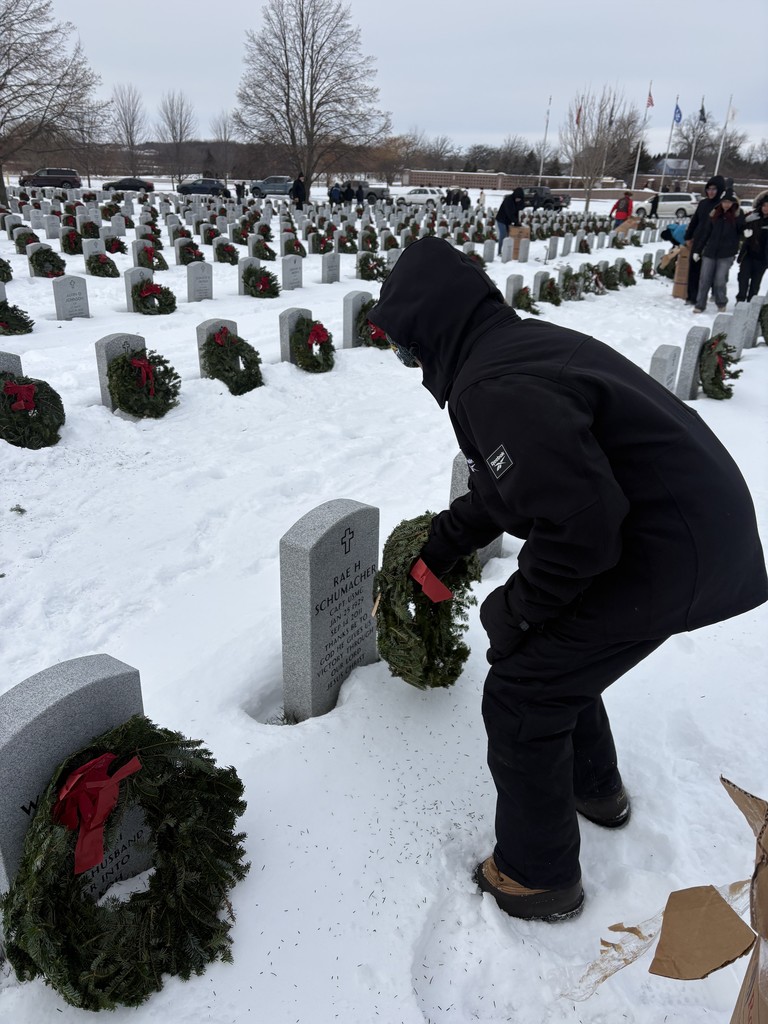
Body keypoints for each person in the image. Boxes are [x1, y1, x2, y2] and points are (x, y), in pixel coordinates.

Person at [368, 237, 767, 921]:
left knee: (522, 690)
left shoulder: (491, 386)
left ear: (429, 329)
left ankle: (538, 872)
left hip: (670, 547)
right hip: (692, 528)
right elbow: (521, 484)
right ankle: (595, 789)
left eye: (406, 347)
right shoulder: (512, 349)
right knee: (553, 659)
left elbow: (583, 527)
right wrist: (446, 542)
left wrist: (516, 611)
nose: (410, 363)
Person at [692, 188, 745, 313]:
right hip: (710, 252)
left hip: (726, 254)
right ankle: (700, 304)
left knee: (720, 280)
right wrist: (697, 250)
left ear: (733, 203)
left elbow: (741, 230)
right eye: (724, 202)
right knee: (705, 279)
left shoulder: (737, 215)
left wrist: (745, 233)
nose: (726, 205)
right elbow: (706, 233)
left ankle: (721, 301)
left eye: (729, 202)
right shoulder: (714, 214)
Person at [684, 175, 725, 304]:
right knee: (694, 269)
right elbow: (695, 220)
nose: (711, 192)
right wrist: (689, 236)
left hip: (711, 243)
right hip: (698, 240)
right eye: (709, 189)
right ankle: (692, 296)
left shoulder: (721, 205)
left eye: (714, 189)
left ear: (719, 190)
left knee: (707, 272)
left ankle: (704, 297)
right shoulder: (703, 203)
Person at [736, 194, 768, 303]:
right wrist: (745, 233)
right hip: (748, 255)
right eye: (764, 205)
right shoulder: (753, 218)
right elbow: (741, 230)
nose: (766, 208)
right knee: (742, 278)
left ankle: (750, 303)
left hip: (763, 258)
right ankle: (740, 301)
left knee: (755, 283)